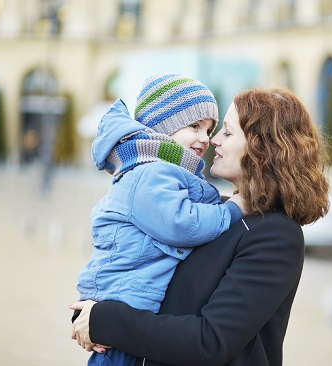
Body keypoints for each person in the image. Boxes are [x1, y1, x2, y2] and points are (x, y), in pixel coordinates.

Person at [71, 87, 330, 366]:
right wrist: (90, 311)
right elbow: (133, 269)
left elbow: (211, 341)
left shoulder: (277, 235)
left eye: (227, 132)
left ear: (261, 147)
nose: (213, 141)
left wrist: (105, 319)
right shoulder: (204, 212)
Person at [76, 73, 245, 366]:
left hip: (129, 309)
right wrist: (232, 210)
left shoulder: (165, 171)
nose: (205, 139)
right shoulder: (152, 173)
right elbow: (181, 224)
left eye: (210, 129)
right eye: (195, 126)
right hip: (123, 310)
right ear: (163, 126)